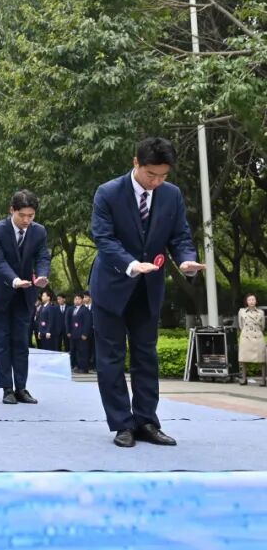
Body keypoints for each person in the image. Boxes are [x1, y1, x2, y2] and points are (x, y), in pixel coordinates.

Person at [90, 137, 204, 447]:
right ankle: (122, 424)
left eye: (163, 176)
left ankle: (146, 421)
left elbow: (180, 236)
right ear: (136, 163)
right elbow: (104, 238)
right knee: (111, 358)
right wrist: (130, 264)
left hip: (148, 288)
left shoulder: (171, 195)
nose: (156, 182)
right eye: (151, 174)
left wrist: (185, 260)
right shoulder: (108, 193)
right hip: (112, 286)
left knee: (146, 355)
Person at [0, 189, 51, 405]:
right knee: (2, 341)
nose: (26, 220)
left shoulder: (39, 231)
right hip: (1, 291)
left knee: (21, 341)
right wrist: (14, 280)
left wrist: (42, 275)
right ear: (11, 210)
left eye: (31, 216)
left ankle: (21, 387)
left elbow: (43, 256)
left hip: (25, 294)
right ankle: (7, 388)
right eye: (22, 215)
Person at [237, 294, 265, 386]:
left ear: (256, 301)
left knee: (262, 358)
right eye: (249, 300)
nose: (251, 301)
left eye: (253, 299)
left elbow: (263, 326)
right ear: (246, 301)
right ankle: (244, 379)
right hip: (246, 336)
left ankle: (263, 380)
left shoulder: (261, 312)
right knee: (243, 359)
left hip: (258, 336)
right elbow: (241, 325)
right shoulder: (241, 311)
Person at [69, 293, 93, 374]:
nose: (76, 300)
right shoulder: (74, 309)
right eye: (75, 299)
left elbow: (88, 323)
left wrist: (85, 334)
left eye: (78, 299)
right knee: (77, 351)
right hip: (75, 334)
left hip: (82, 335)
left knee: (83, 351)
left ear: (82, 300)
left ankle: (84, 368)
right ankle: (78, 366)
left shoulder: (85, 310)